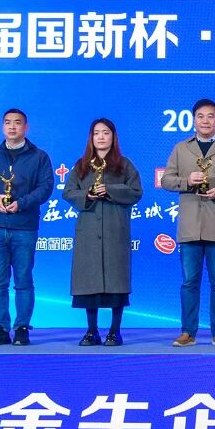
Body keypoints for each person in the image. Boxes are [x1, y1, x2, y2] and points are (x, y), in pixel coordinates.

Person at [161, 98, 215, 347]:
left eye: (211, 116)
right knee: (189, 282)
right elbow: (166, 180)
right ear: (193, 120)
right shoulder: (181, 148)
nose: (206, 121)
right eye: (200, 116)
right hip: (190, 225)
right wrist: (187, 181)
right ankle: (188, 332)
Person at [0, 109, 54, 346]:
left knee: (23, 280)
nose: (12, 127)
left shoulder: (39, 157)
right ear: (2, 127)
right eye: (8, 123)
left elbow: (45, 188)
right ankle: (0, 328)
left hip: (24, 227)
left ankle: (22, 328)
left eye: (17, 123)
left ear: (26, 127)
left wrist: (22, 203)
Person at [62, 118, 143, 347]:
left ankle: (115, 331)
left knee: (117, 283)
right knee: (89, 283)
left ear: (113, 137)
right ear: (91, 137)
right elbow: (68, 192)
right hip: (88, 229)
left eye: (106, 132)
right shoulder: (81, 165)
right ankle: (91, 331)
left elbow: (136, 192)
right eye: (96, 133)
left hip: (115, 230)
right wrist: (87, 195)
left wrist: (109, 190)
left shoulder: (124, 165)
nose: (101, 137)